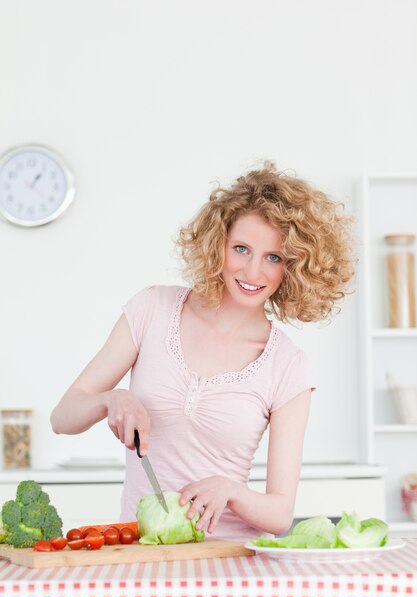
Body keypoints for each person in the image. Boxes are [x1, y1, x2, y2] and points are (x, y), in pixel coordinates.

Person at [51, 162, 355, 539]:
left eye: (273, 257)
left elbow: (279, 514)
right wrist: (110, 400)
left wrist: (231, 491)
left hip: (228, 558)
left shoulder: (287, 365)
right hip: (139, 549)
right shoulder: (152, 310)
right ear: (218, 245)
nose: (253, 271)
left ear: (294, 268)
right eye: (241, 249)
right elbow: (62, 418)